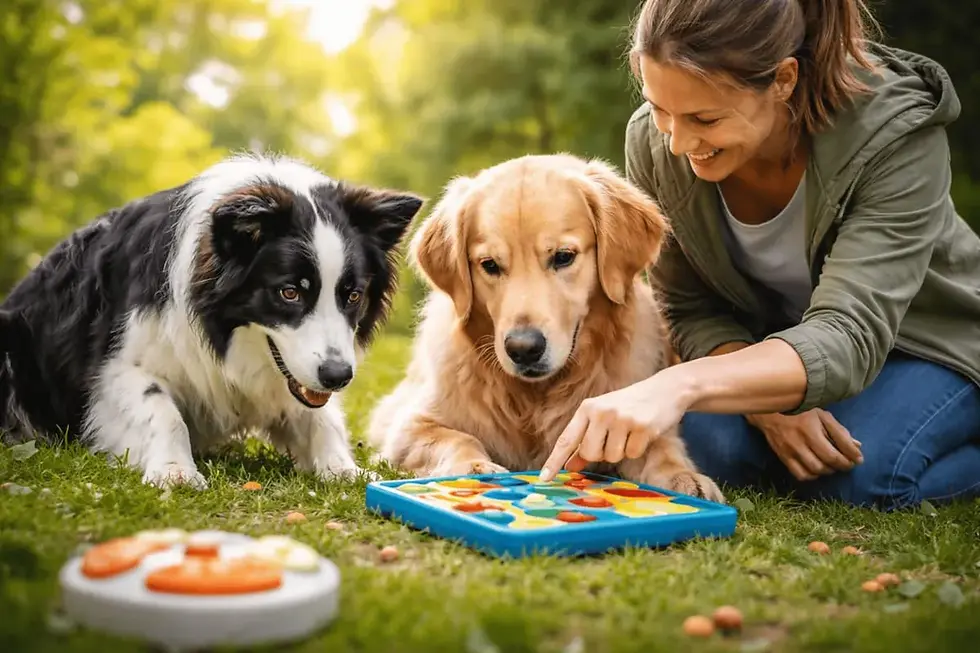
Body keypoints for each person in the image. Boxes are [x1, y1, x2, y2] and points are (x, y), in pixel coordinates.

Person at [539, 0, 980, 511]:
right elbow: (688, 307)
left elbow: (850, 334)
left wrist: (683, 382)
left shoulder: (897, 136)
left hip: (924, 344)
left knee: (862, 478)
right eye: (660, 109)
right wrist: (767, 403)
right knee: (709, 450)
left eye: (705, 118)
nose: (679, 143)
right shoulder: (655, 142)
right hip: (774, 347)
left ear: (784, 80)